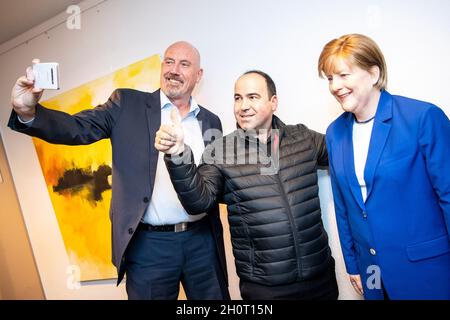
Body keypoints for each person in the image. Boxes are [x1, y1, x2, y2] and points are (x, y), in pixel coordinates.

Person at [8, 41, 230, 300]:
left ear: (198, 75)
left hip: (202, 241)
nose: (174, 70)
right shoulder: (126, 104)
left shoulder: (210, 121)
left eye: (184, 64)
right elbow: (77, 127)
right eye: (169, 62)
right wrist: (28, 112)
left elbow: (216, 181)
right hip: (149, 247)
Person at [155, 70, 339, 300]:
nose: (242, 106)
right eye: (237, 98)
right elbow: (198, 202)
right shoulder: (220, 151)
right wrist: (178, 154)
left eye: (252, 97)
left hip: (320, 278)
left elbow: (346, 155)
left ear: (274, 102)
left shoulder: (303, 138)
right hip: (265, 289)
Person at [318, 33, 450, 300]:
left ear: (374, 73)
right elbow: (344, 207)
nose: (335, 86)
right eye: (330, 78)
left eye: (343, 75)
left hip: (427, 269)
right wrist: (353, 265)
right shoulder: (335, 133)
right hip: (372, 273)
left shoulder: (422, 118)